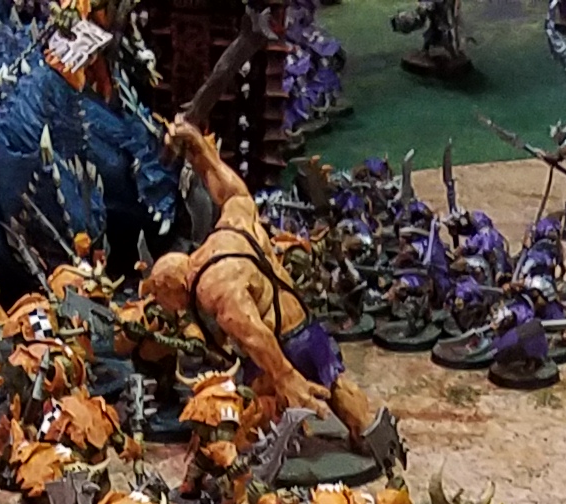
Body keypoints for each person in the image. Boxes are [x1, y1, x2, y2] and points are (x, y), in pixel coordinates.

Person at [139, 117, 389, 448]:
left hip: (277, 348)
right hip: (306, 327)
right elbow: (233, 193)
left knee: (251, 413)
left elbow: (252, 333)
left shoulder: (212, 285)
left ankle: (255, 461)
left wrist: (286, 376)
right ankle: (374, 437)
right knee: (336, 385)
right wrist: (202, 152)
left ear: (174, 289)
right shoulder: (232, 227)